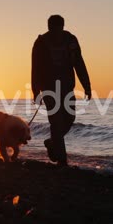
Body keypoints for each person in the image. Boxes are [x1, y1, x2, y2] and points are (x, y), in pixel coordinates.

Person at [31, 15, 91, 166]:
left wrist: (87, 85)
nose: (56, 32)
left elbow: (79, 63)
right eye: (53, 29)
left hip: (67, 87)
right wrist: (35, 90)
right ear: (49, 27)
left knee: (70, 118)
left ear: (63, 26)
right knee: (56, 122)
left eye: (58, 28)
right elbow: (35, 68)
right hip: (48, 88)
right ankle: (62, 160)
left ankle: (52, 142)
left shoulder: (71, 40)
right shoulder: (41, 43)